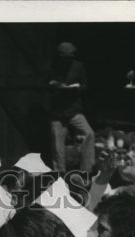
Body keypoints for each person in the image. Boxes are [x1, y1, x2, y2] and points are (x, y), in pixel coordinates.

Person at [48, 42, 95, 173]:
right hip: (57, 112)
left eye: (70, 57)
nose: (68, 60)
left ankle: (87, 170)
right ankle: (59, 174)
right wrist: (53, 85)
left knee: (89, 133)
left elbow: (85, 85)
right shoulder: (52, 66)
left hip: (73, 109)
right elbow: (44, 83)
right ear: (60, 57)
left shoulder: (78, 66)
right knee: (58, 146)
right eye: (65, 58)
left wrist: (76, 88)